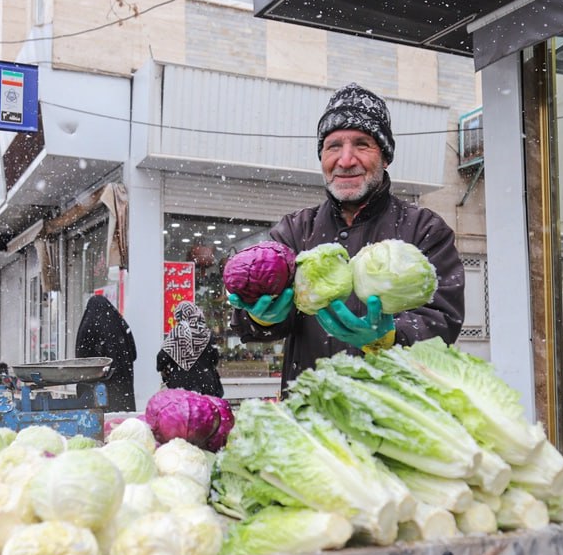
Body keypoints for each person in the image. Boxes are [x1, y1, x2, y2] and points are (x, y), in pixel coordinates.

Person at [229, 82, 465, 394]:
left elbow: (443, 320)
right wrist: (259, 318)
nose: (346, 159)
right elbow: (251, 324)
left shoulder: (423, 229)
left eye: (362, 144)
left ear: (386, 156)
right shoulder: (296, 230)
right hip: (311, 417)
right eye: (333, 146)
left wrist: (390, 338)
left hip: (394, 418)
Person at [75, 294, 138, 412]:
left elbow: (81, 358)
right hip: (123, 386)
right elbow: (133, 354)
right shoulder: (120, 324)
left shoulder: (87, 325)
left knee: (104, 423)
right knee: (123, 422)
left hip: (98, 389)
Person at [157, 301, 224, 397]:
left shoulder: (176, 334)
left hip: (180, 386)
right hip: (206, 385)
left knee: (184, 411)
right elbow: (215, 359)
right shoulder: (207, 334)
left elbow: (161, 359)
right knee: (204, 411)